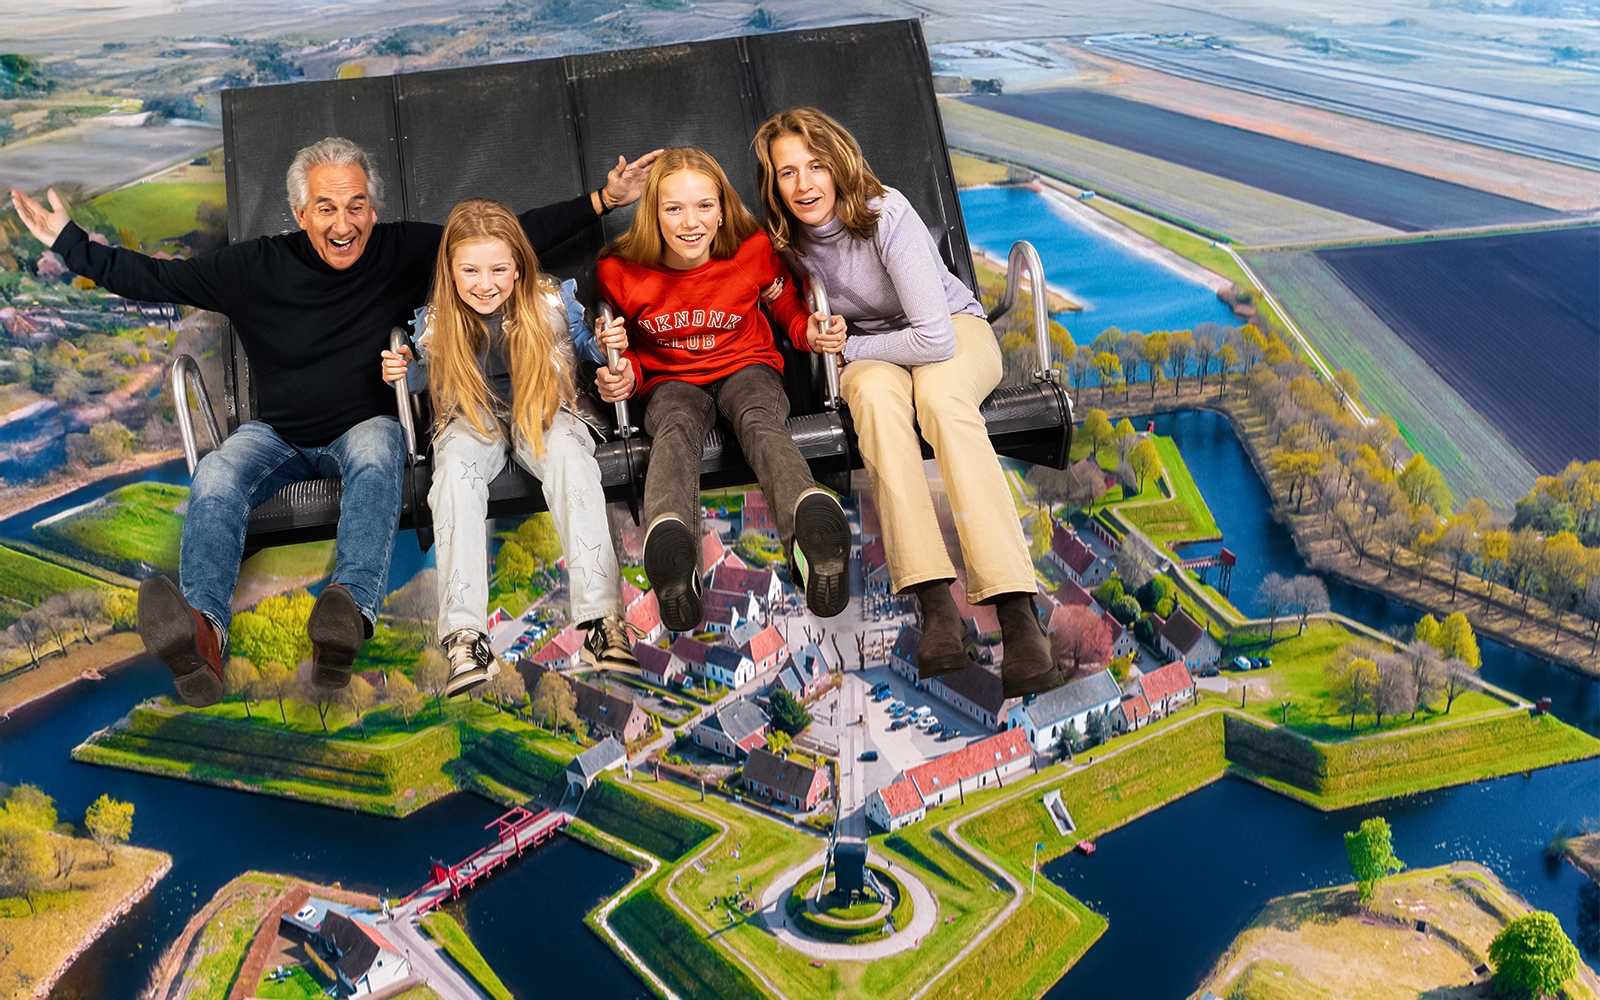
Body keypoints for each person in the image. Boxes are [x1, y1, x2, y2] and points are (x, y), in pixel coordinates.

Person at [9, 137, 660, 708]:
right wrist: (70, 244)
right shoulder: (252, 268)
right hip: (279, 435)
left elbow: (501, 244)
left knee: (378, 457)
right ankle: (204, 633)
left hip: (363, 426)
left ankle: (346, 614)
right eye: (326, 207)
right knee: (215, 476)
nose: (344, 222)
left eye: (355, 205)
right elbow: (156, 277)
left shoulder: (405, 249)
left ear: (371, 208)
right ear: (300, 213)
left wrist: (602, 199)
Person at [753, 107, 1063, 698]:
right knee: (869, 397)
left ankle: (1018, 611)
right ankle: (935, 605)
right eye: (787, 173)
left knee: (943, 399)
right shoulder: (784, 241)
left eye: (815, 166)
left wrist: (851, 345)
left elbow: (935, 338)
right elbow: (782, 302)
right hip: (874, 357)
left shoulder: (885, 213)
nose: (804, 185)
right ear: (774, 184)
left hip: (949, 329)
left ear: (839, 163)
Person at [380, 198, 639, 696]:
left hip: (541, 407)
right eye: (471, 270)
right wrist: (402, 370)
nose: (486, 283)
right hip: (471, 417)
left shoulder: (549, 301)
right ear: (451, 272)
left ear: (518, 267)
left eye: (499, 269)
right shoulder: (437, 322)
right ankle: (466, 637)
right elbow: (420, 375)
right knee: (454, 475)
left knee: (571, 463)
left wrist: (608, 343)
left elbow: (584, 344)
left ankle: (603, 619)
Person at [593, 146, 850, 633]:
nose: (691, 223)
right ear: (653, 213)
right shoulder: (620, 272)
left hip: (746, 366)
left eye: (704, 206)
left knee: (759, 418)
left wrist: (808, 334)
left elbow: (785, 305)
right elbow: (618, 348)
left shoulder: (750, 250)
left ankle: (809, 530)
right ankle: (674, 553)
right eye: (674, 208)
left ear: (722, 208)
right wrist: (621, 376)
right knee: (674, 428)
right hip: (669, 379)